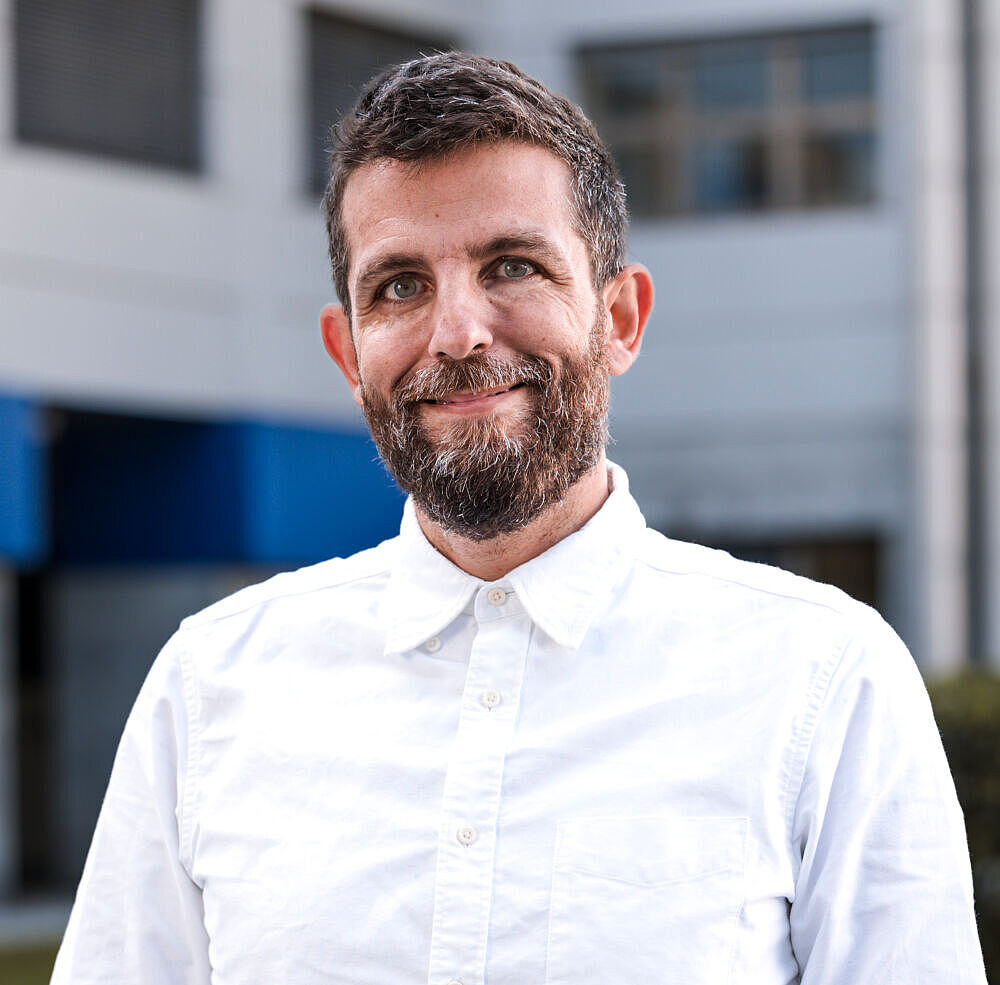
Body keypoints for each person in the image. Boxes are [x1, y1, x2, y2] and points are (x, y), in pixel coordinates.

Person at [52, 52, 986, 985]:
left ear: (620, 319)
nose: (458, 332)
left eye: (513, 266)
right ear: (348, 352)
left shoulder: (822, 678)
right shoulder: (209, 687)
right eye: (400, 285)